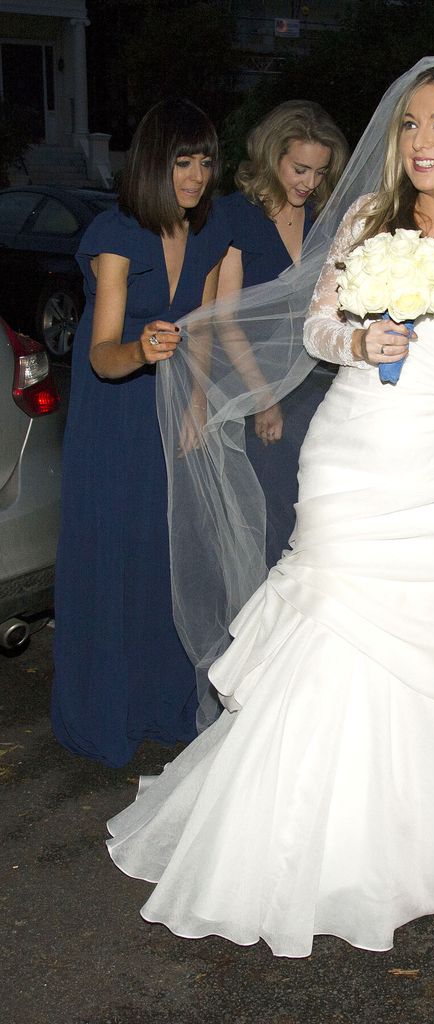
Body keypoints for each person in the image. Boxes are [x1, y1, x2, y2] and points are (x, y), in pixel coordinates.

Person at [106, 53, 434, 958]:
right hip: (352, 455)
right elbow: (315, 329)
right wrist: (358, 335)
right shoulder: (364, 218)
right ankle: (306, 823)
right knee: (334, 617)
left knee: (431, 626)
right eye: (411, 124)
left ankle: (425, 817)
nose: (422, 142)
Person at [51, 99, 230, 768]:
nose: (195, 176)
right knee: (115, 558)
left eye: (205, 162)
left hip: (173, 407)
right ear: (155, 163)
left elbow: (205, 327)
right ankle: (106, 709)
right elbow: (100, 353)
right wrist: (144, 352)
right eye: (182, 161)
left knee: (169, 556)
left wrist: (197, 403)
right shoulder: (115, 236)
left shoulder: (210, 234)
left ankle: (165, 703)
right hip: (116, 415)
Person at [216, 101, 349, 567]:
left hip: (319, 385)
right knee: (273, 515)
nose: (309, 182)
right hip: (257, 385)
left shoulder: (323, 217)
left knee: (319, 510)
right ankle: (267, 625)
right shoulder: (235, 216)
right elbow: (226, 320)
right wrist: (264, 397)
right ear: (273, 157)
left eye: (319, 171)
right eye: (299, 168)